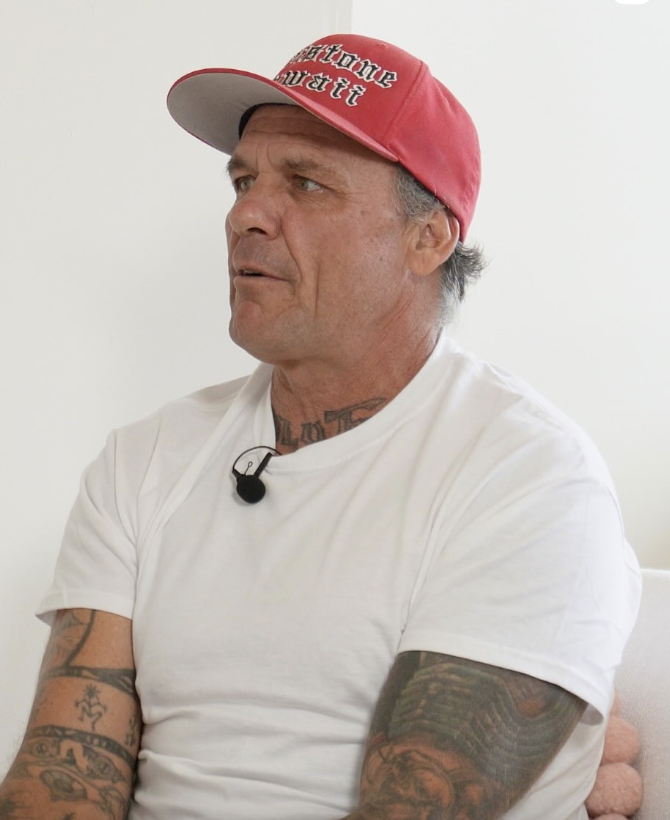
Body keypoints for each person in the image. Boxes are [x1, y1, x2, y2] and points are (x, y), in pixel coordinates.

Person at [0, 33, 640, 820]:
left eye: (304, 183)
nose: (246, 216)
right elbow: (61, 778)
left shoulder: (528, 478)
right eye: (243, 180)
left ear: (428, 236)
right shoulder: (146, 457)